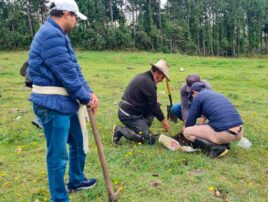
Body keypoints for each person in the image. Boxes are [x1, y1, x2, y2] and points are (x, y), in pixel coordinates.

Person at [28, 0, 99, 201]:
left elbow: (75, 69)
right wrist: (85, 98)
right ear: (67, 14)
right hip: (51, 104)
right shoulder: (50, 35)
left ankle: (76, 180)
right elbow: (67, 74)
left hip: (65, 101)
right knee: (58, 157)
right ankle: (59, 198)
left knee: (78, 141)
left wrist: (89, 93)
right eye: (76, 17)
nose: (76, 21)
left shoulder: (60, 35)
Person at [112, 59, 171, 145]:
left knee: (155, 106)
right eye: (163, 77)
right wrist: (165, 123)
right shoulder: (148, 83)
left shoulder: (145, 77)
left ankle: (139, 128)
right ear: (157, 73)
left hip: (133, 111)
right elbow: (154, 108)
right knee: (150, 140)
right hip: (128, 115)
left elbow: (152, 105)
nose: (162, 80)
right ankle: (120, 130)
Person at [183, 82, 244, 158]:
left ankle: (216, 148)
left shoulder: (198, 97)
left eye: (192, 96)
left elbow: (190, 122)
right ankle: (224, 143)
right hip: (240, 132)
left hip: (226, 134)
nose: (192, 98)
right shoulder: (216, 94)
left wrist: (185, 130)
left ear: (194, 92)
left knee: (187, 132)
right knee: (206, 126)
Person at [19, 60, 43, 129]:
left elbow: (22, 72)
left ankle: (38, 120)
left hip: (30, 81)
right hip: (37, 81)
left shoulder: (31, 57)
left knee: (38, 99)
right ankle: (38, 120)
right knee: (42, 100)